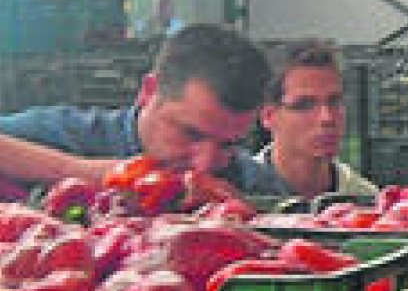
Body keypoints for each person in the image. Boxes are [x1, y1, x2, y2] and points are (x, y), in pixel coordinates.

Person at [0, 23, 287, 195]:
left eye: (228, 145)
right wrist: (80, 171)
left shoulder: (256, 186)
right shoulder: (66, 137)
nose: (204, 164)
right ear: (149, 92)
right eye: (190, 134)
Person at [256, 40, 377, 199]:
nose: (327, 118)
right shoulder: (233, 198)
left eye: (334, 101)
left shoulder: (366, 201)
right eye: (305, 105)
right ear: (268, 116)